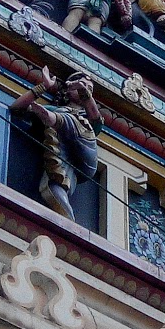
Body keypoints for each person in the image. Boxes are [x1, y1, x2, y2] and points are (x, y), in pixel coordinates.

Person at [11, 68, 101, 218]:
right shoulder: (57, 109)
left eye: (89, 89)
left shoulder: (89, 116)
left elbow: (96, 119)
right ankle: (68, 221)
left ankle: (54, 119)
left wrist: (82, 90)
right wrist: (44, 86)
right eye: (82, 85)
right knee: (55, 188)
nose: (85, 90)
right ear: (67, 90)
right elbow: (17, 108)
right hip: (64, 155)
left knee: (73, 119)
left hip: (85, 151)